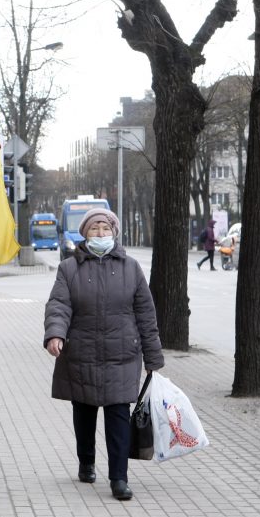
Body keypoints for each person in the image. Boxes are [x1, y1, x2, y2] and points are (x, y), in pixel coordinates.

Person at [43, 208, 164, 501]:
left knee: (118, 418)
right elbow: (59, 305)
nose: (100, 234)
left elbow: (145, 314)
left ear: (114, 233)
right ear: (85, 234)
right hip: (81, 354)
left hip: (121, 355)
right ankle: (86, 461)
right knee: (84, 414)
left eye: (105, 229)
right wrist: (55, 334)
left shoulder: (131, 268)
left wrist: (153, 358)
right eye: (94, 229)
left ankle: (119, 478)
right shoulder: (69, 269)